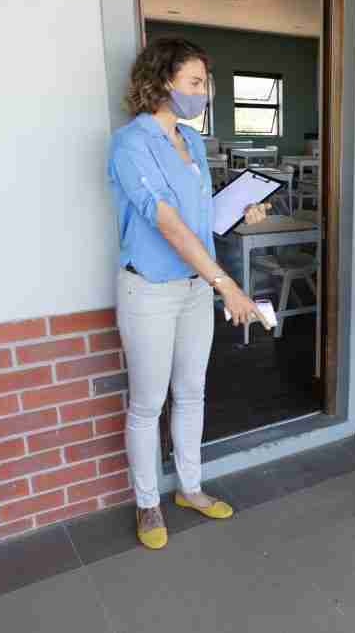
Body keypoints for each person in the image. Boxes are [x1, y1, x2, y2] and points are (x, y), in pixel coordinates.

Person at [108, 38, 271, 550]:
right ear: (161, 83)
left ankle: (191, 489)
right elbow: (166, 222)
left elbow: (201, 225)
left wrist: (240, 210)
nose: (204, 93)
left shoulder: (192, 141)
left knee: (192, 393)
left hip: (194, 289)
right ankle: (148, 502)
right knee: (147, 403)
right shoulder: (131, 143)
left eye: (206, 84)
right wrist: (227, 283)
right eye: (196, 83)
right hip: (151, 291)